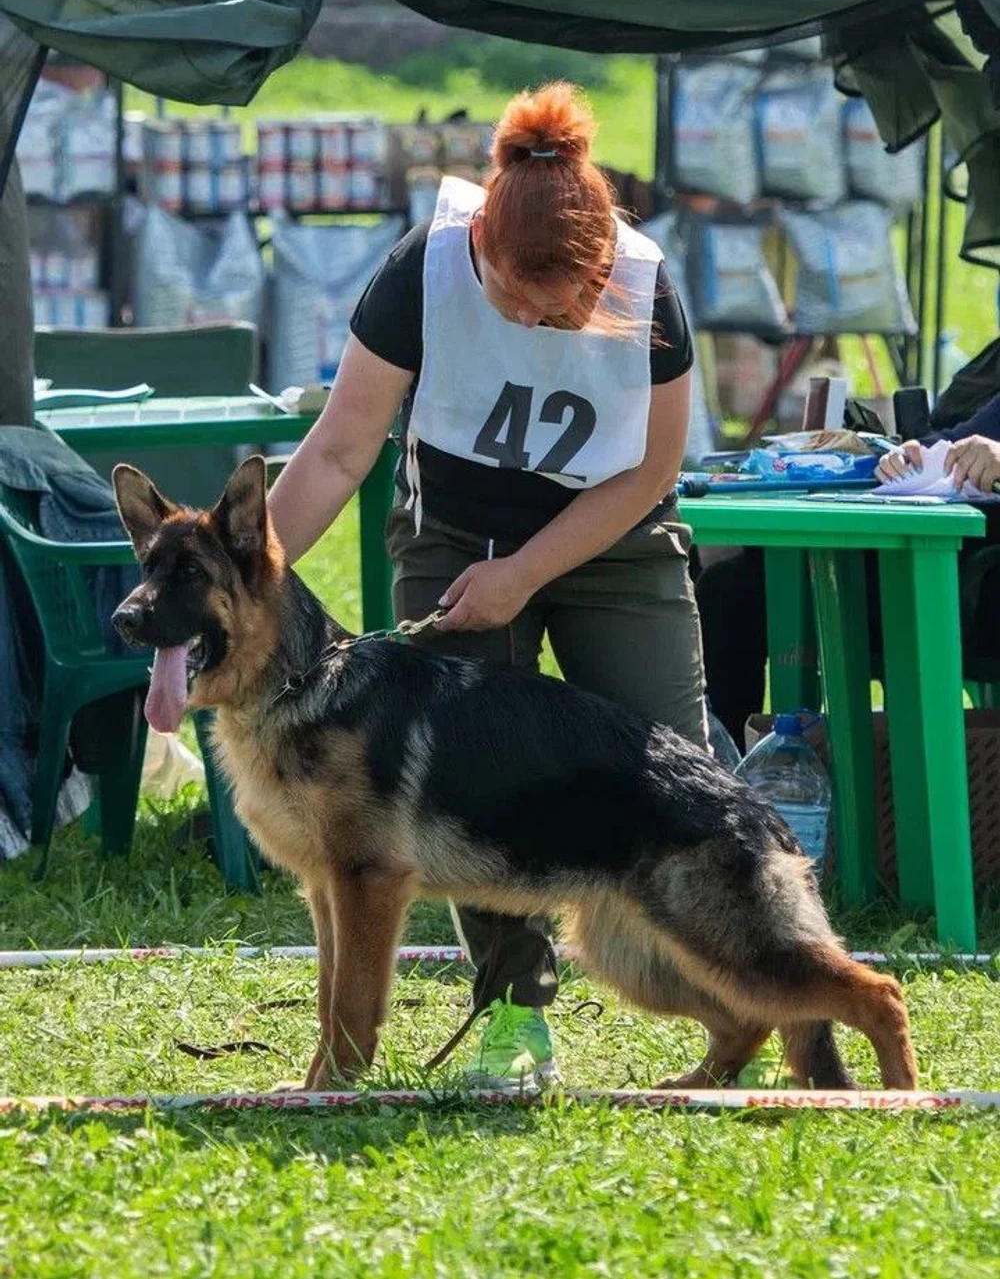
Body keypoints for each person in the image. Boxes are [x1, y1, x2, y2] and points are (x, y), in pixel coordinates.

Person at [267, 82, 708, 1091]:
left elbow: (650, 472)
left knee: (675, 753)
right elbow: (339, 450)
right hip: (455, 531)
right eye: (511, 294)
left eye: (553, 309)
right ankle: (515, 1011)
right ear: (483, 250)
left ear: (599, 270)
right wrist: (241, 579)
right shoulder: (421, 270)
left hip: (613, 534)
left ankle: (743, 980)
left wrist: (525, 573)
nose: (525, 315)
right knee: (462, 771)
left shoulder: (647, 284)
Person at [696, 391, 1000, 752]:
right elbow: (953, 442)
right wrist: (908, 455)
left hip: (971, 588)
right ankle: (721, 788)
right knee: (731, 588)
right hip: (940, 577)